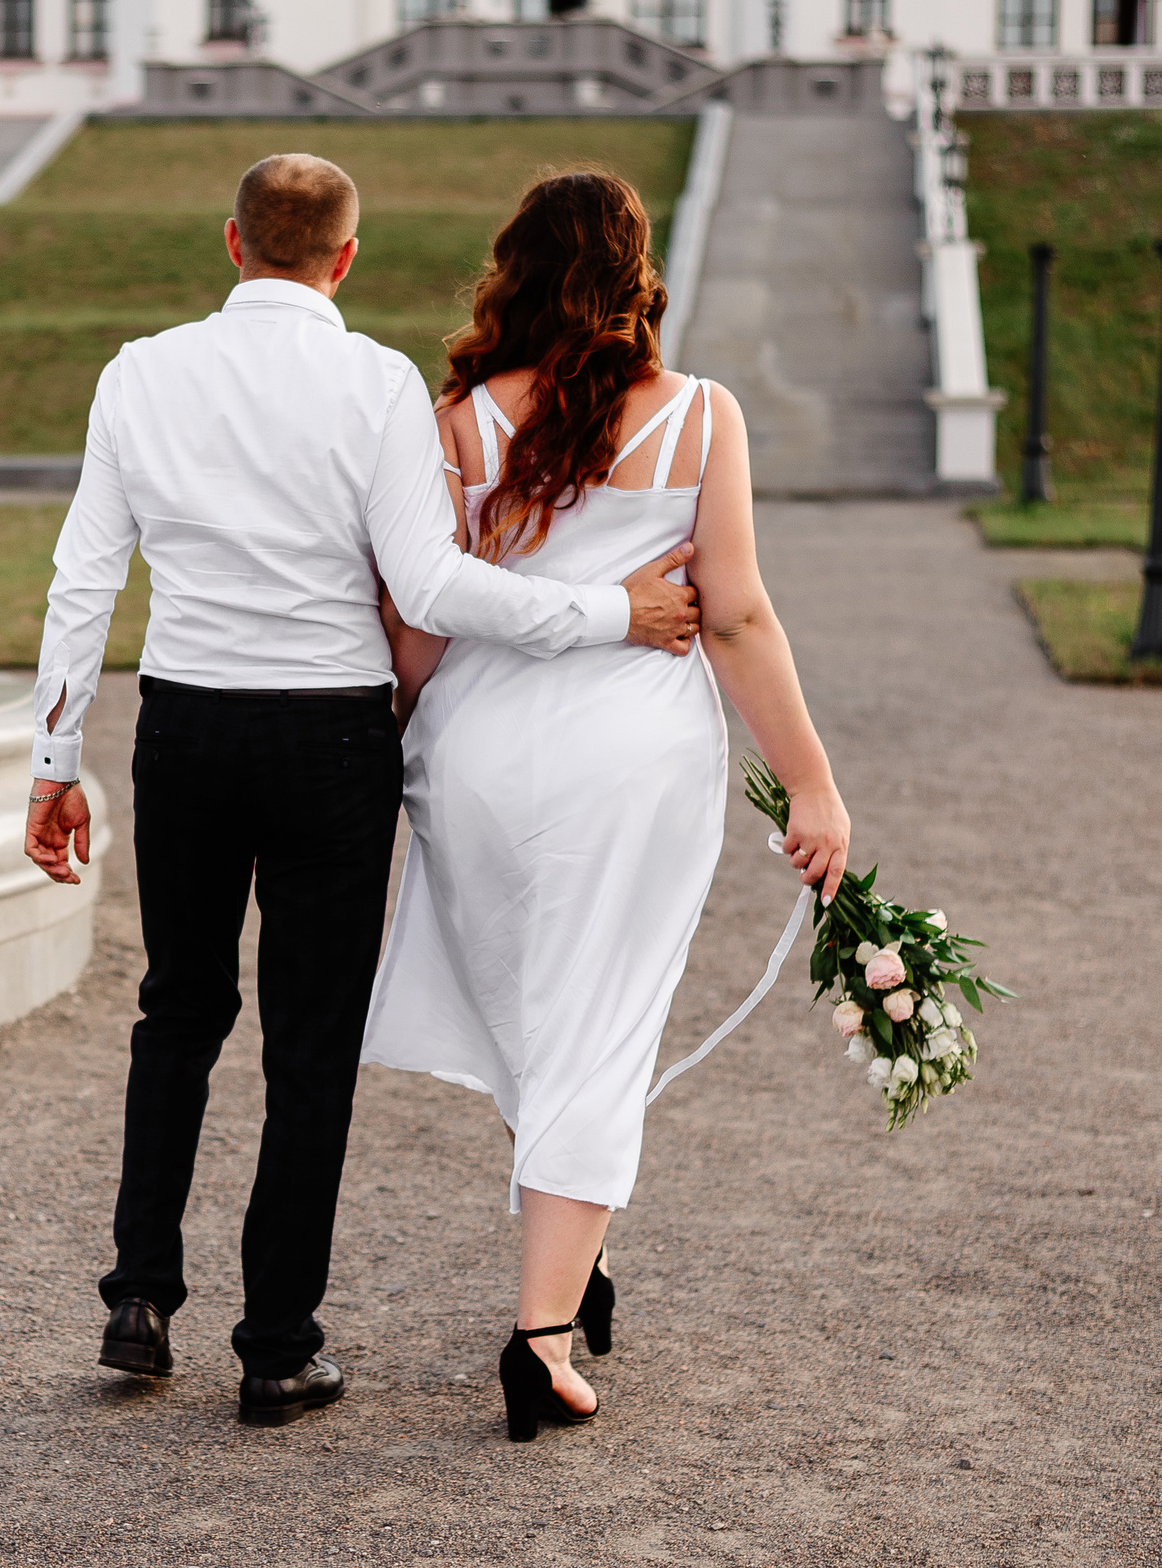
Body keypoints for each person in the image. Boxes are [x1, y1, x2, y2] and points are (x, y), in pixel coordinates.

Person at [22, 154, 704, 1428]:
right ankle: (277, 1346)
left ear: (233, 242)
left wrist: (53, 765)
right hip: (330, 735)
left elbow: (83, 581)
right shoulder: (378, 381)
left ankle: (139, 1292)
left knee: (176, 1008)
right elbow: (431, 588)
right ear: (344, 258)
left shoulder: (138, 372)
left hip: (185, 721)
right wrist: (613, 612)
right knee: (309, 1043)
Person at [362, 168, 852, 1442]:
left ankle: (568, 1260)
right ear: (636, 277)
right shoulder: (698, 415)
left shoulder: (457, 420)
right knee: (597, 1023)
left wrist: (381, 743)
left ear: (514, 271)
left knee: (536, 1010)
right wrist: (809, 780)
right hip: (633, 757)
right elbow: (734, 615)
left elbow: (419, 619)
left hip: (476, 751)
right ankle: (540, 1335)